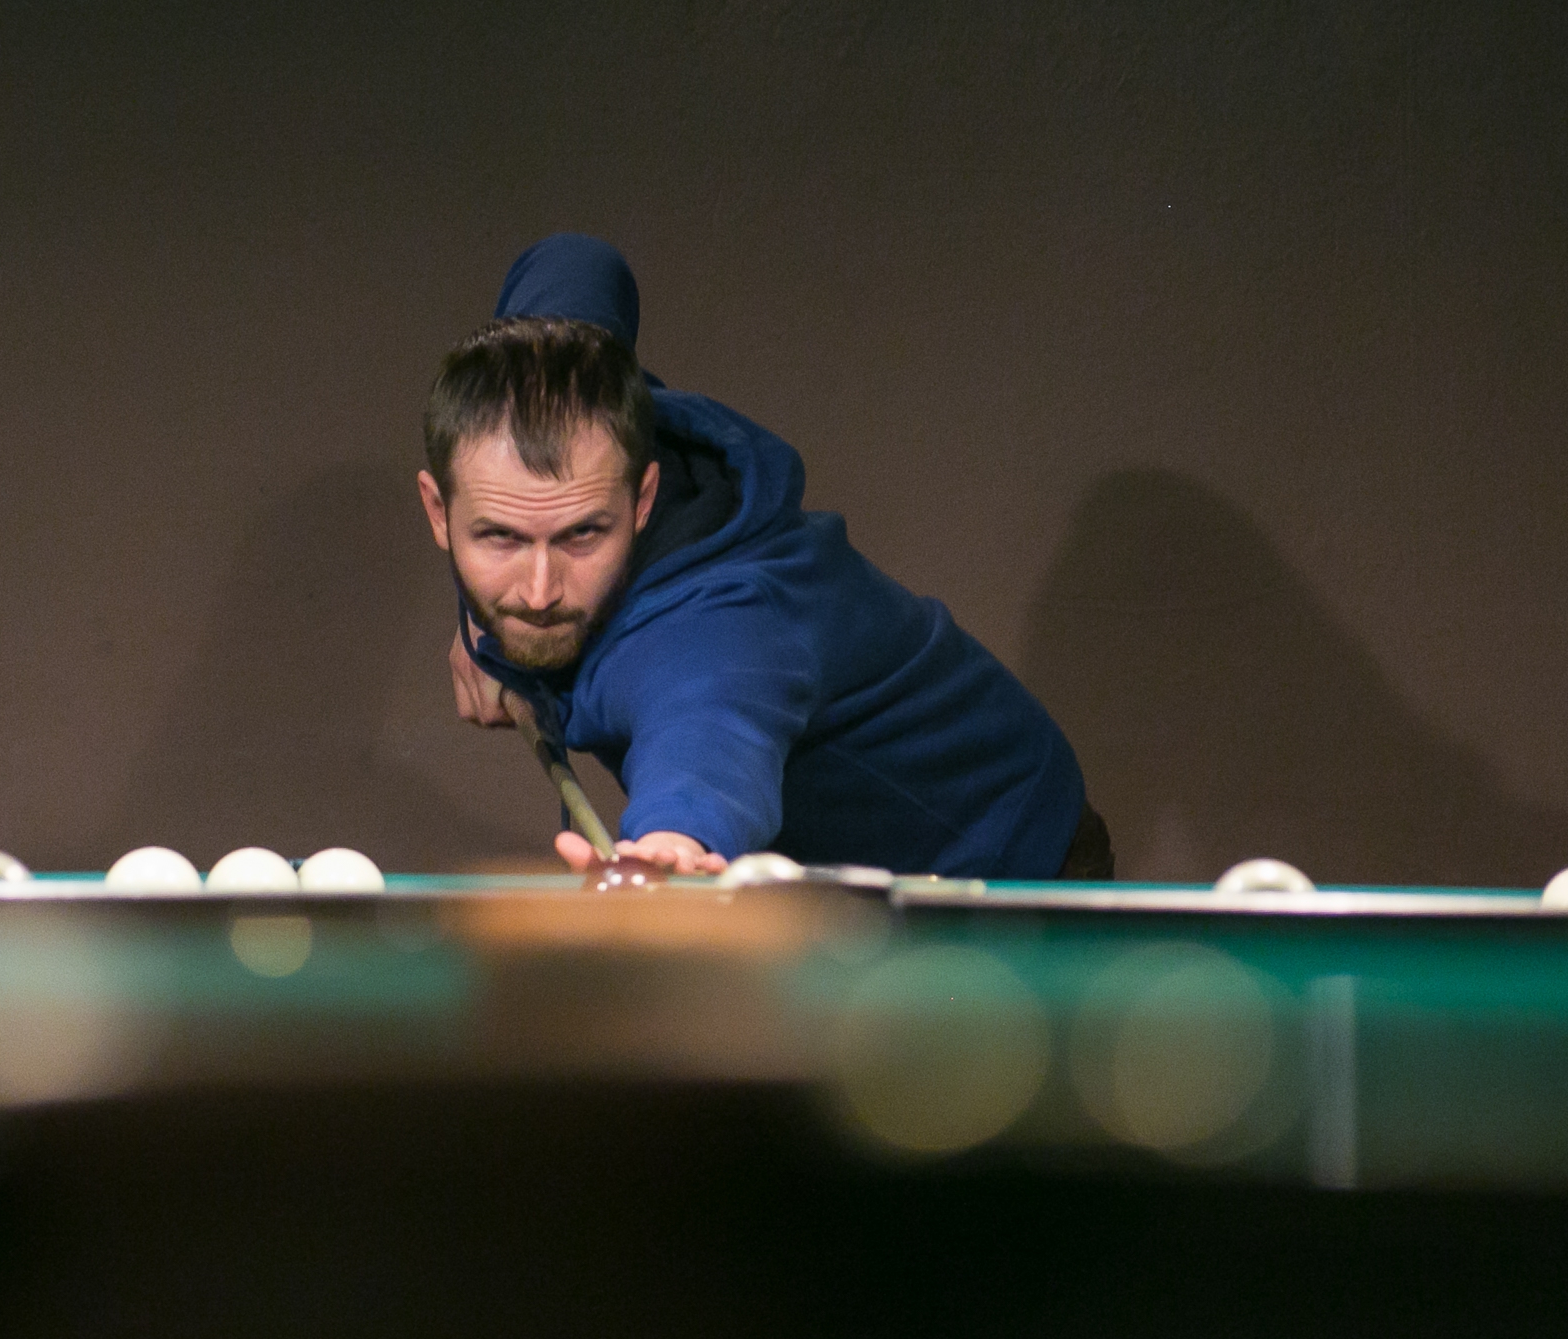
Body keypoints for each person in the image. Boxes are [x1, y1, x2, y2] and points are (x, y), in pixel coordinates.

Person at [416, 234, 1111, 880]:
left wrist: (673, 847)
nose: (539, 592)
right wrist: (486, 623)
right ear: (440, 511)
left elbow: (707, 744)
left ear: (643, 496)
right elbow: (578, 261)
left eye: (582, 536)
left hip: (999, 857)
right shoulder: (573, 383)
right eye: (500, 537)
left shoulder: (716, 635)